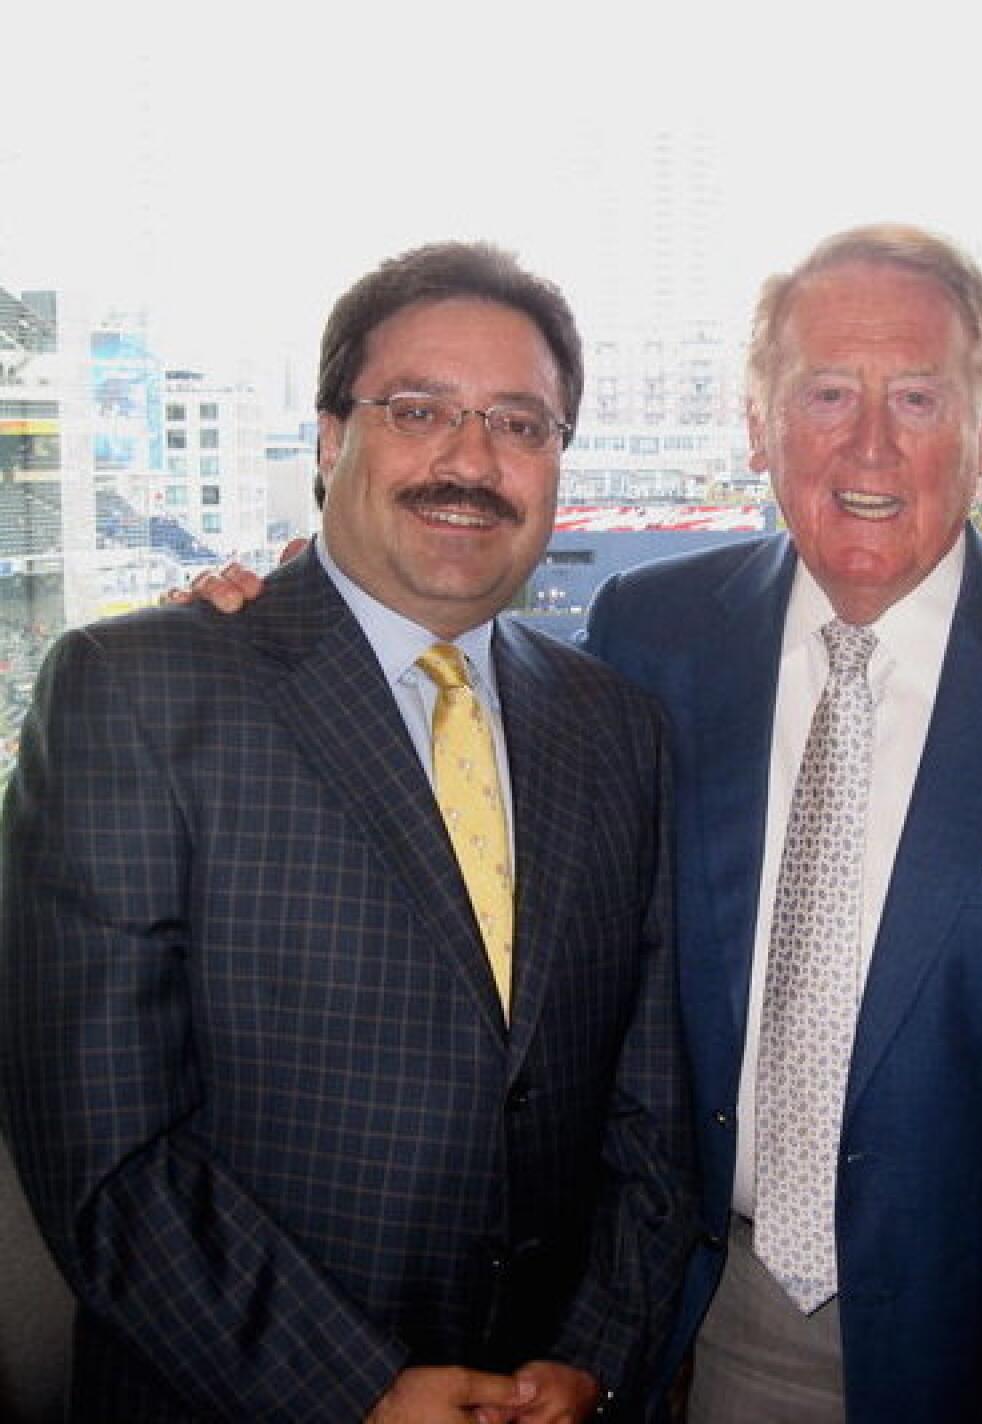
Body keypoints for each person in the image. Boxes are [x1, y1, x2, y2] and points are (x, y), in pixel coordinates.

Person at [163, 224, 982, 1422]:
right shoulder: (655, 636)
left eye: (917, 394)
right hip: (704, 1315)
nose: (870, 443)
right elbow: (462, 717)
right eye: (825, 392)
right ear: (759, 422)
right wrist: (292, 610)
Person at [0, 242, 696, 1423]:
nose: (471, 460)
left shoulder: (615, 727)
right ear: (331, 438)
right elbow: (104, 1147)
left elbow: (648, 1097)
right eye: (420, 409)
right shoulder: (138, 693)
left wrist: (592, 1351)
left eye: (520, 424)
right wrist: (357, 1392)